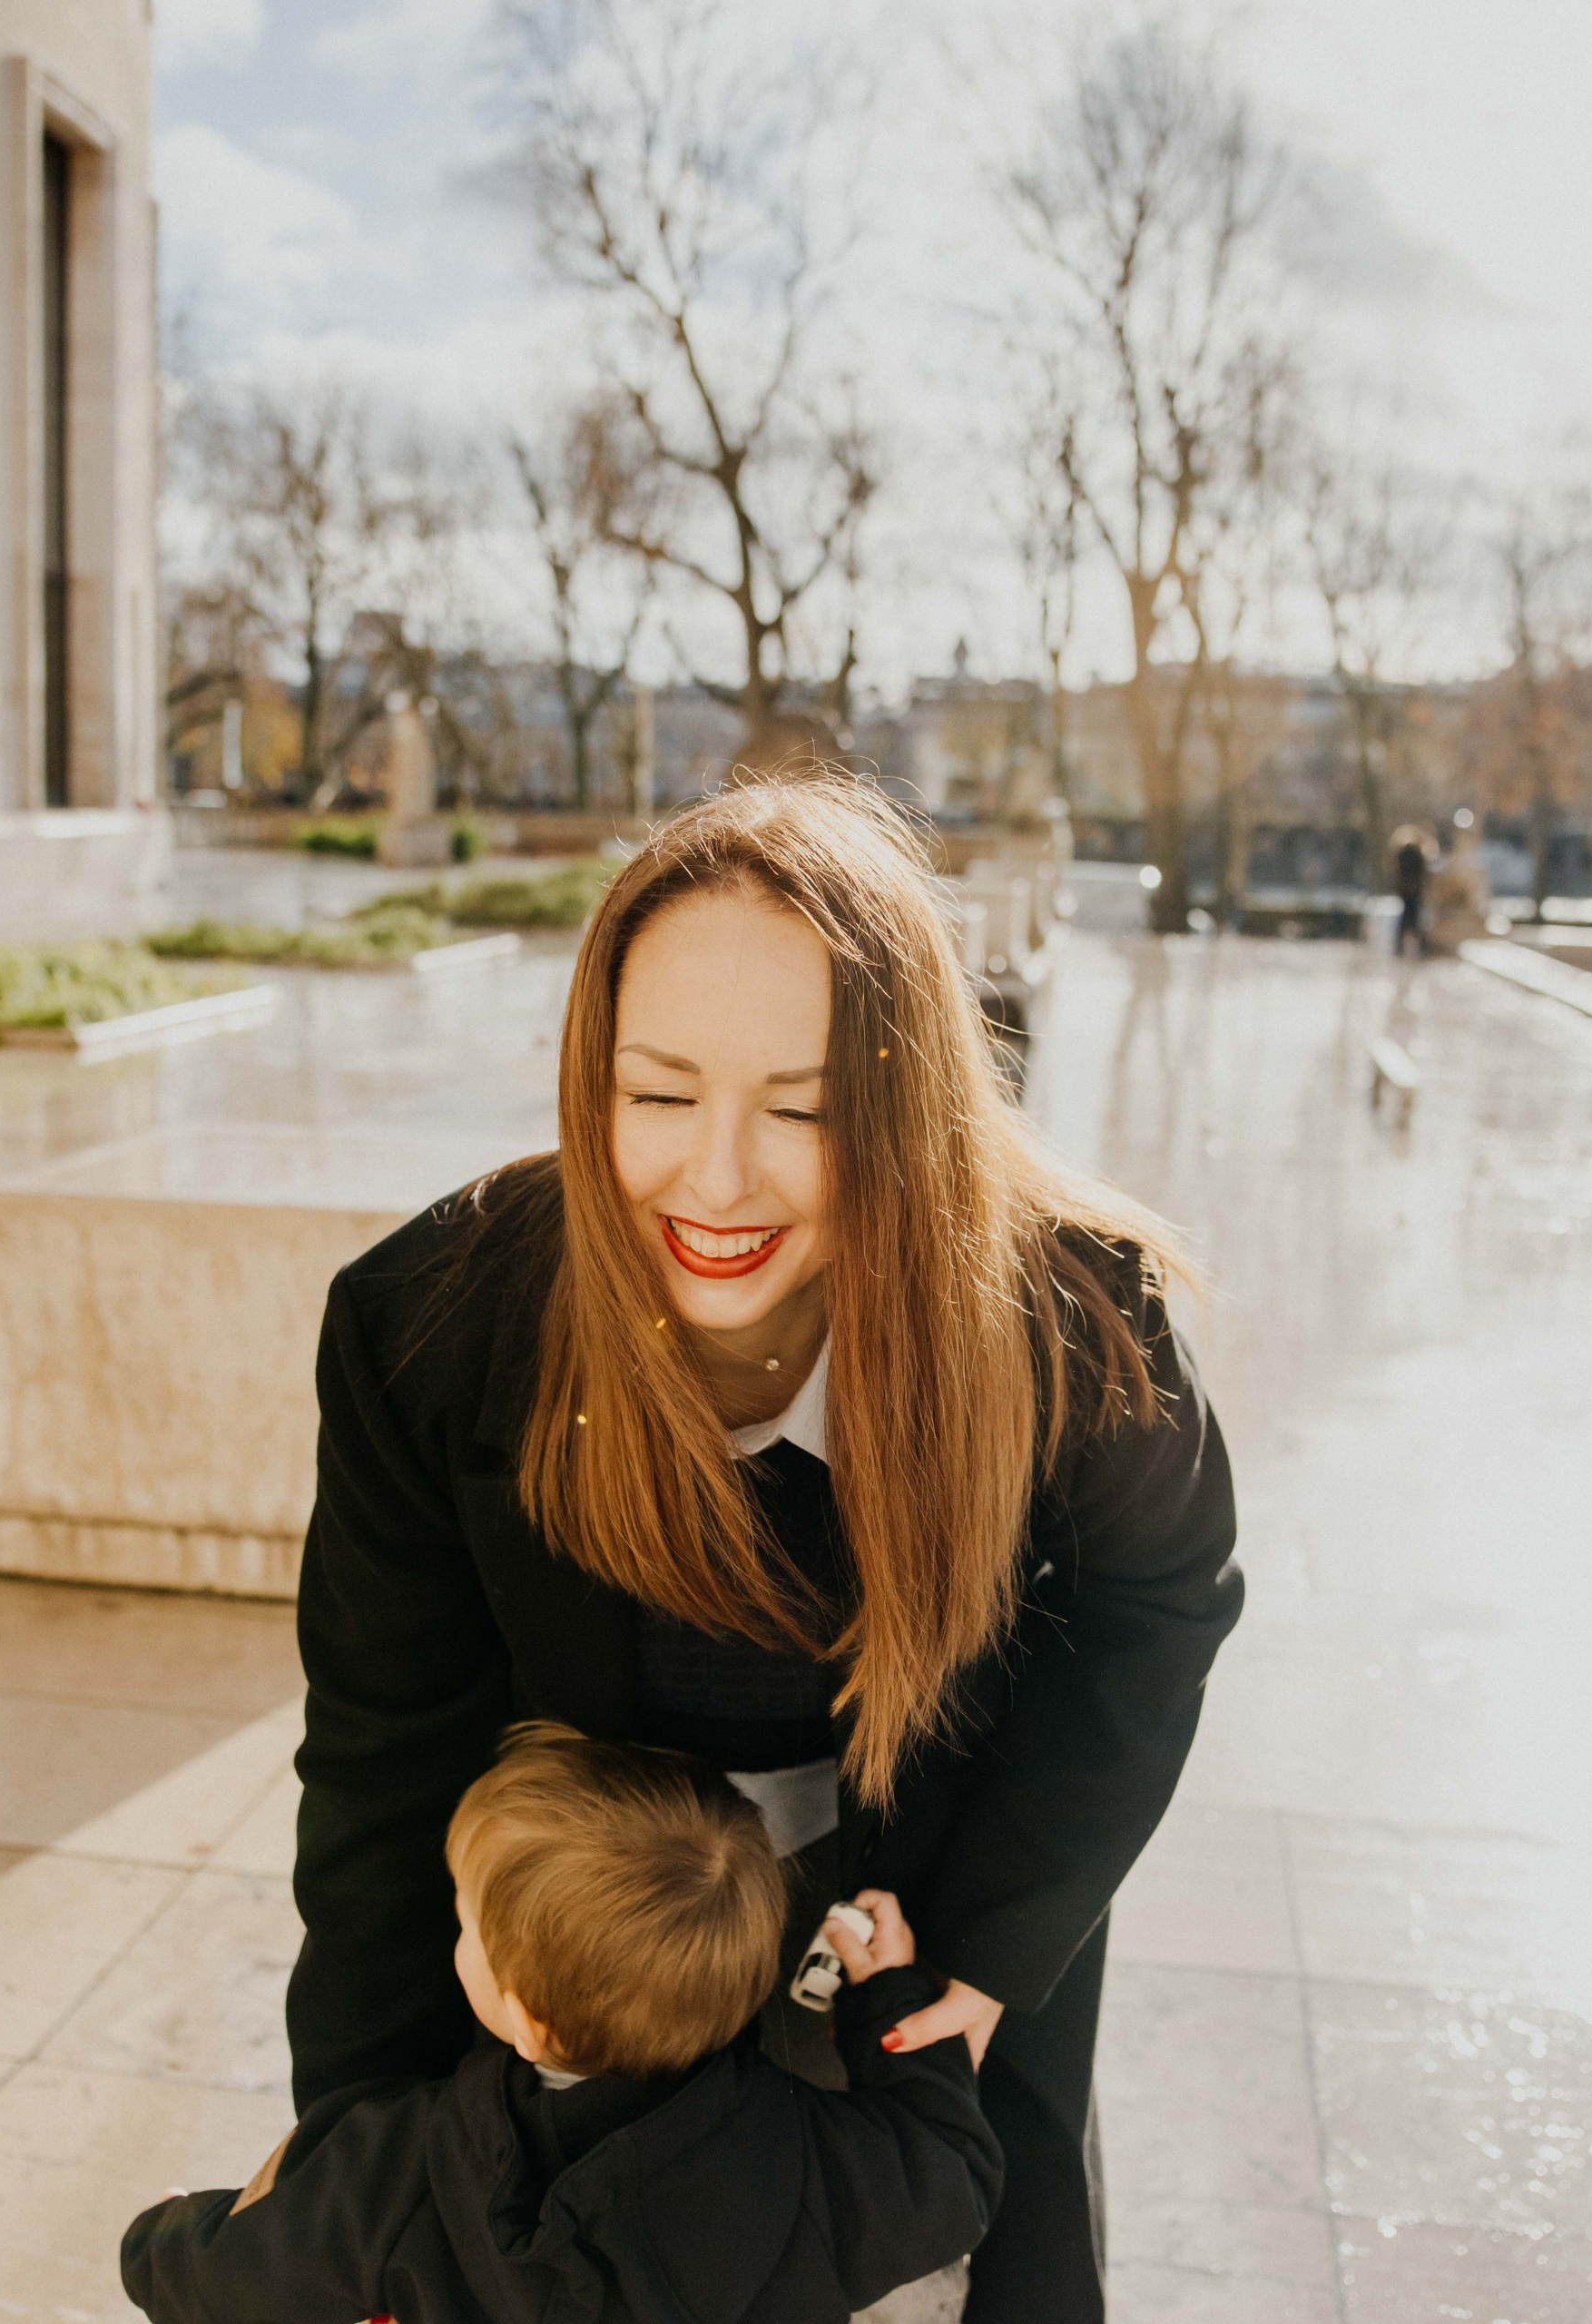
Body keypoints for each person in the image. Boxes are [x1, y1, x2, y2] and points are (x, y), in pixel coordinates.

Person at [288, 775, 1243, 2324]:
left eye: (800, 1109)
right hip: (593, 1939)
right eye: (657, 1096)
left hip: (930, 1906)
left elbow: (1164, 1600)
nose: (715, 1180)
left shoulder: (1075, 1319)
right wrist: (350, 2159)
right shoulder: (427, 1328)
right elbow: (382, 1765)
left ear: (909, 1107)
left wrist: (996, 1955)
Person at [122, 1724, 1000, 2324]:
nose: (455, 1934)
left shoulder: (403, 2159)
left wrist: (160, 2240)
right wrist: (883, 1994)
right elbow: (954, 2173)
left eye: (466, 1923)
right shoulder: (809, 2161)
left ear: (531, 2025)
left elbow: (238, 2275)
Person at [1391, 824, 1430, 954]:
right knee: (1414, 916)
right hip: (1415, 889)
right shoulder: (1418, 853)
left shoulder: (1401, 853)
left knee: (1405, 916)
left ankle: (1400, 945)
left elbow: (1397, 871)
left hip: (1404, 889)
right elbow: (1422, 872)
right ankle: (1420, 945)